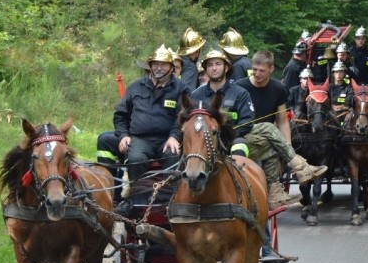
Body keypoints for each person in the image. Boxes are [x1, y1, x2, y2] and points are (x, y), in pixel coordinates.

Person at [191, 50, 297, 209]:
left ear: (226, 67)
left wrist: (226, 136)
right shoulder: (196, 94)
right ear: (205, 69)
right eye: (210, 65)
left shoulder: (240, 92)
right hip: (202, 144)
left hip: (235, 140)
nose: (214, 68)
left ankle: (259, 204)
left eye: (218, 64)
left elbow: (248, 121)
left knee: (252, 145)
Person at [234, 51, 328, 201]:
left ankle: (273, 193)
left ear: (271, 69)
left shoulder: (278, 88)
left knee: (272, 143)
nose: (257, 74)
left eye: (262, 71)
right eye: (255, 70)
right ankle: (301, 169)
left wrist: (287, 147)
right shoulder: (239, 87)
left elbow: (283, 121)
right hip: (242, 138)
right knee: (268, 126)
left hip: (265, 140)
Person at [111, 44, 191, 215]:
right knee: (135, 158)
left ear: (171, 68)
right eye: (155, 64)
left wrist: (175, 136)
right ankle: (137, 204)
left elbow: (184, 116)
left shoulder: (181, 89)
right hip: (140, 139)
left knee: (173, 157)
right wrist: (123, 135)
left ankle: (169, 203)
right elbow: (120, 115)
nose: (159, 68)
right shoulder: (135, 87)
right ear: (150, 65)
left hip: (168, 138)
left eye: (163, 64)